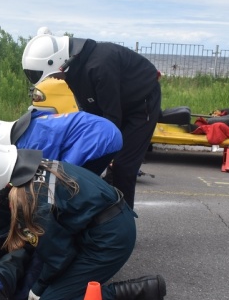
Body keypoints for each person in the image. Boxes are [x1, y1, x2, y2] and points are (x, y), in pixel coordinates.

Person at [0, 142, 166, 300]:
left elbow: (58, 255)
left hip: (109, 241)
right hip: (101, 224)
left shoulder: (35, 200)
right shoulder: (26, 168)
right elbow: (5, 214)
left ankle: (137, 291)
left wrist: (40, 286)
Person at [21, 28, 162, 208]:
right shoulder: (72, 68)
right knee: (103, 161)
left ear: (59, 62)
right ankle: (98, 210)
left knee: (124, 166)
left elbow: (111, 120)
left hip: (142, 105)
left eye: (53, 74)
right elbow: (90, 113)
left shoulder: (100, 66)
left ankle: (120, 223)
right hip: (117, 102)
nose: (55, 78)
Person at [0, 108, 122, 175]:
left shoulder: (29, 143)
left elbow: (48, 168)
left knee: (67, 180)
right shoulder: (26, 126)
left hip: (99, 138)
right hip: (100, 131)